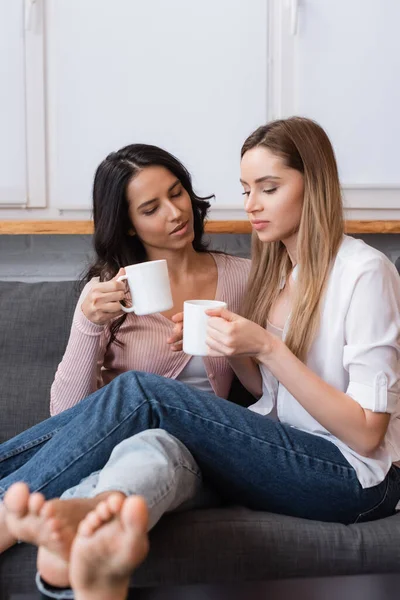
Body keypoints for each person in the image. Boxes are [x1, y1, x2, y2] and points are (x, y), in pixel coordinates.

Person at [3, 117, 400, 597]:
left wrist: (263, 346)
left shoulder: (364, 273)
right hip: (284, 448)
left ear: (313, 183)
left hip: (357, 475)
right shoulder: (282, 274)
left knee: (145, 396)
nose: (250, 204)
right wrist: (231, 348)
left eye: (268, 188)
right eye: (246, 189)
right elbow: (269, 398)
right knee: (155, 448)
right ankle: (88, 527)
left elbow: (367, 432)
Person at [0, 143, 252, 555]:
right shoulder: (107, 295)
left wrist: (235, 342)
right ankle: (73, 535)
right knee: (134, 462)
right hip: (113, 447)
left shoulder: (244, 278)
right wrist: (87, 324)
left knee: (153, 452)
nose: (175, 212)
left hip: (199, 449)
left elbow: (269, 390)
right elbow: (66, 419)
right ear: (129, 224)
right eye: (151, 208)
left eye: (176, 192)